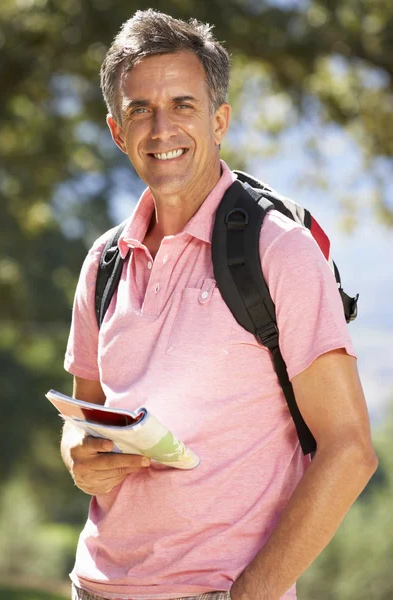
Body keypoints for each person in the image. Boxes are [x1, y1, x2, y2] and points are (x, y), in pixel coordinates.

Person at [61, 9, 378, 600]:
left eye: (183, 105)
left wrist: (251, 594)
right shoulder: (103, 262)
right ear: (116, 130)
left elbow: (350, 449)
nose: (162, 129)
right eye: (140, 110)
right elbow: (85, 424)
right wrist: (80, 457)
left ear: (219, 120)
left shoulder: (278, 250)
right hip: (93, 587)